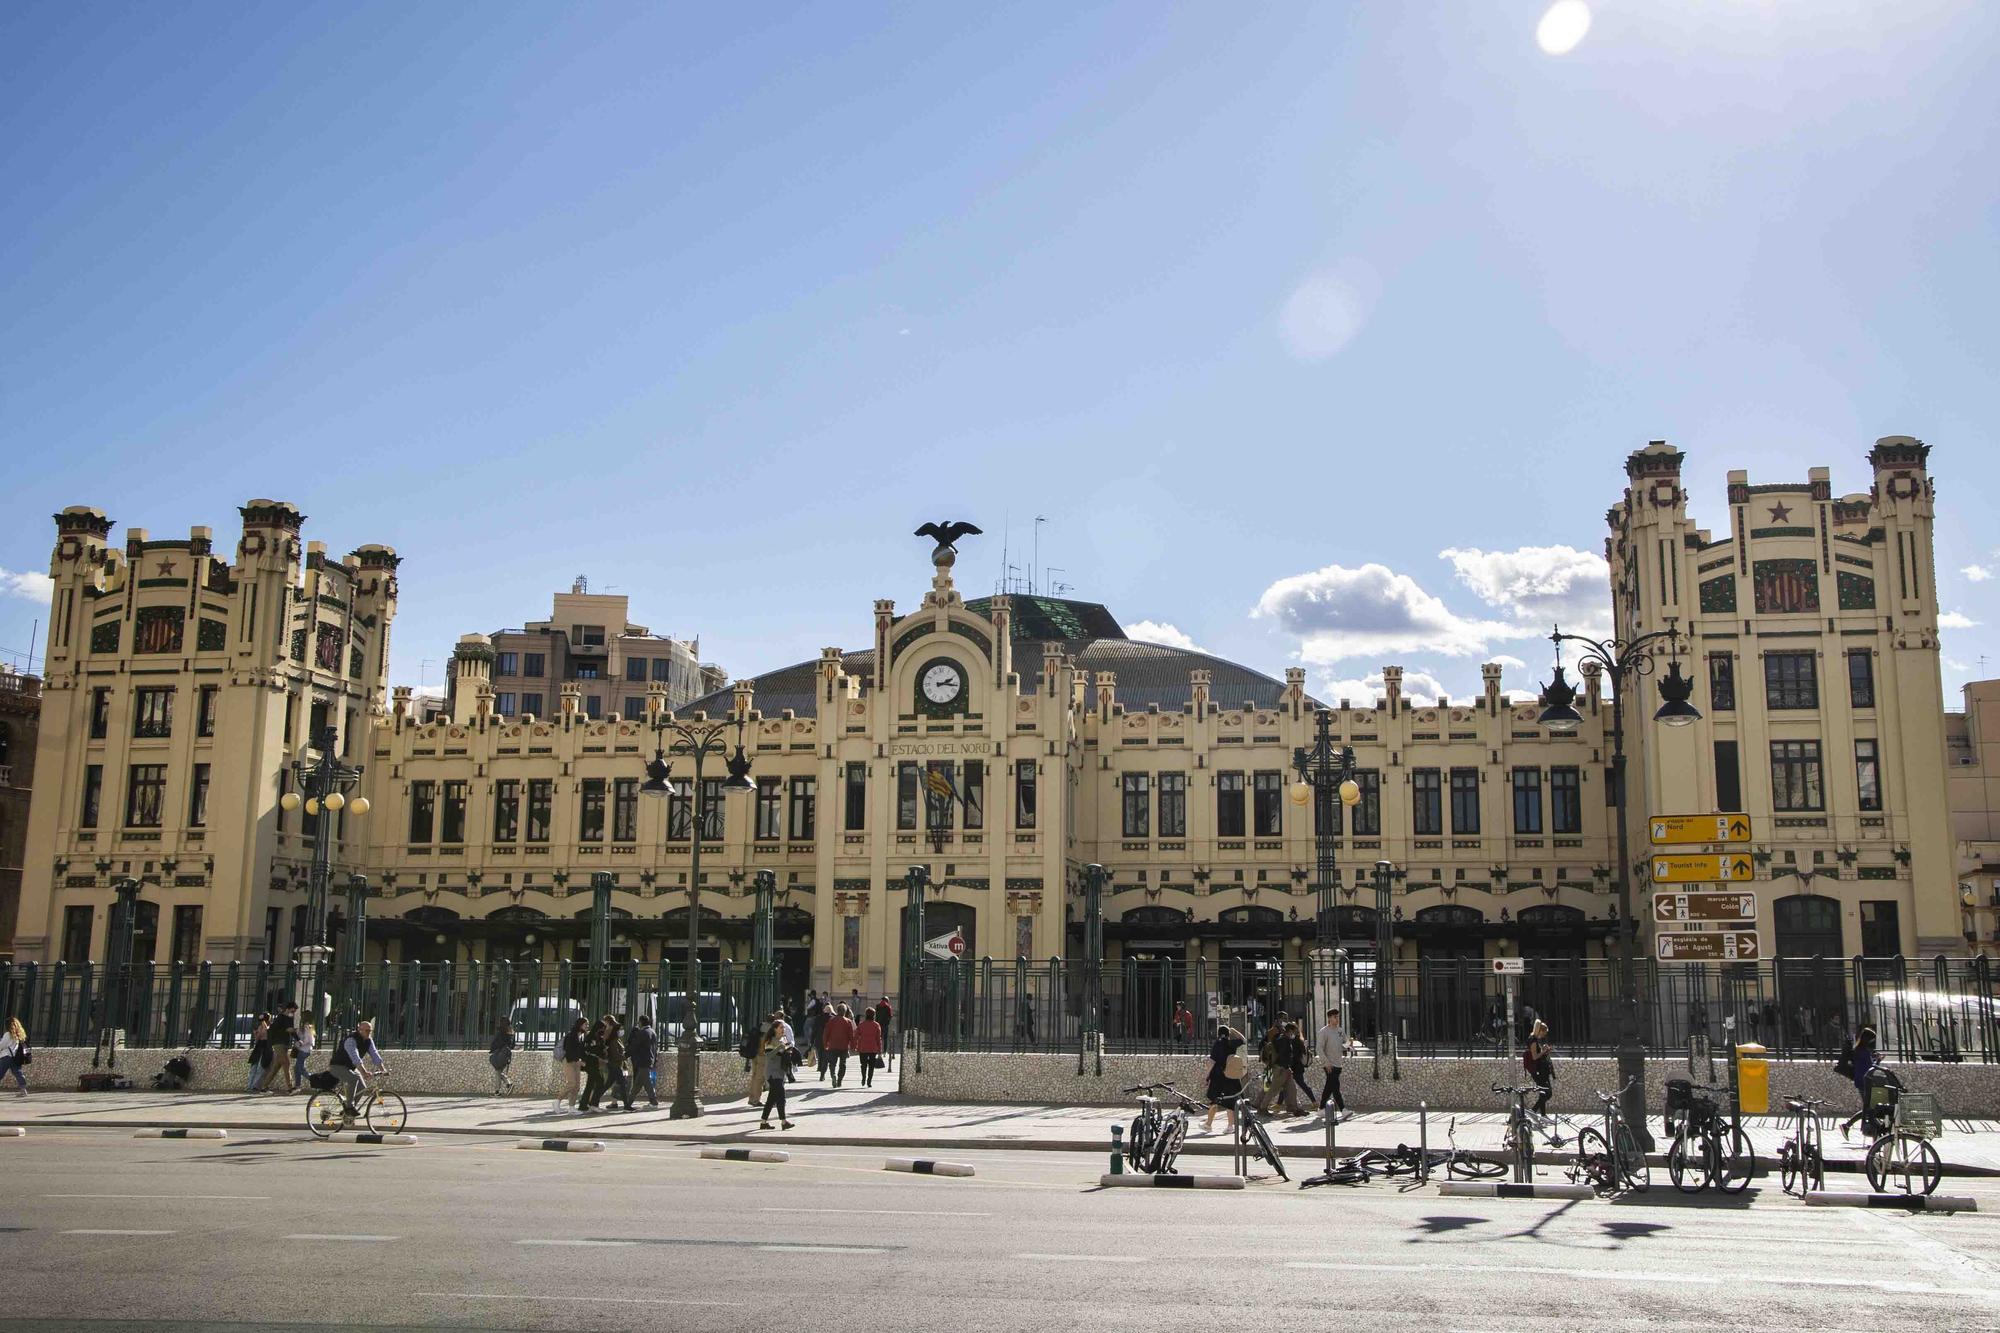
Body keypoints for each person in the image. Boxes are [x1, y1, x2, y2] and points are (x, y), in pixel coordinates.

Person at [328, 1019, 388, 1115]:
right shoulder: (351, 1040)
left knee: (362, 1087)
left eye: (370, 1031)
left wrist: (383, 1069)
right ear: (360, 1030)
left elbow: (374, 1054)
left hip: (349, 1068)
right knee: (354, 1079)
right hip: (337, 1066)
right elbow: (355, 1057)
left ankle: (348, 1112)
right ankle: (349, 1107)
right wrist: (363, 1072)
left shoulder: (368, 1040)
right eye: (367, 1031)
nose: (369, 1033)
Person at [1203, 1024, 1247, 1135]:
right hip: (1231, 1075)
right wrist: (1234, 1030)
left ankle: (1208, 1124)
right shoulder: (1231, 1043)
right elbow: (1244, 1040)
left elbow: (1212, 1062)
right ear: (1228, 1034)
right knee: (1230, 1101)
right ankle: (1230, 1126)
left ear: (1218, 1034)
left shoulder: (1217, 1044)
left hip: (1218, 1076)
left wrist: (1206, 1076)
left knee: (1214, 1099)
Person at [1838, 1025, 1881, 1137]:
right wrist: (1879, 1061)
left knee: (1867, 1107)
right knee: (1870, 1108)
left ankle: (1849, 1126)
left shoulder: (1858, 1049)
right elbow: (1870, 1068)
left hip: (1860, 1082)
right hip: (1865, 1083)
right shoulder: (1864, 1052)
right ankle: (1868, 1132)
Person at [757, 1018, 794, 1130]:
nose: (783, 1029)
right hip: (772, 1074)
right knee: (781, 1097)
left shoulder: (782, 1040)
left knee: (771, 1099)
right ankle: (784, 1122)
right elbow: (768, 1056)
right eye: (781, 1027)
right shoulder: (770, 1041)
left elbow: (783, 1055)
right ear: (775, 1029)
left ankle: (763, 1122)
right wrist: (779, 1048)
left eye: (784, 1027)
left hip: (780, 1073)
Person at [1315, 1007, 1351, 1120]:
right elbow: (1319, 1049)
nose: (1337, 1019)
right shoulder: (1324, 1032)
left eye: (1338, 1016)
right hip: (1329, 1065)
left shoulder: (1340, 1030)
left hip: (1338, 1063)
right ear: (1329, 1018)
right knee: (1335, 1087)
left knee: (1330, 1087)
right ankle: (1343, 1110)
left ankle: (1321, 1109)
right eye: (1335, 1017)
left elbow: (1344, 1043)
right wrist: (1326, 1063)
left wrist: (1349, 1044)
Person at [626, 1014, 659, 1108]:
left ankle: (654, 1102)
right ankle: (628, 1104)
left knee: (647, 1083)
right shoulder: (652, 1032)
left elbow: (635, 1046)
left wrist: (625, 1055)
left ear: (640, 1022)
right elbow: (654, 1048)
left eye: (638, 1022)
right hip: (649, 1060)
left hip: (643, 1061)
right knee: (638, 1084)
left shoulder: (642, 1033)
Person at [263, 1004, 297, 1095]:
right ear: (288, 1009)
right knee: (286, 1063)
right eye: (292, 1011)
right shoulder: (280, 1017)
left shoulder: (289, 1019)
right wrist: (286, 1030)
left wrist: (298, 1040)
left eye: (294, 1012)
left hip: (285, 1044)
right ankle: (290, 1088)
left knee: (276, 1067)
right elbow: (274, 1029)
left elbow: (291, 1031)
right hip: (278, 1043)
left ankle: (264, 1087)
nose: (293, 1013)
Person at [1525, 1018, 1555, 1117]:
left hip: (1541, 1070)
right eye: (1544, 1033)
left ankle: (1542, 1115)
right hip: (1538, 1071)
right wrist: (1543, 1052)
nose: (1544, 1035)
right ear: (1540, 1031)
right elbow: (1535, 1057)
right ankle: (1533, 1111)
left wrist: (1544, 1050)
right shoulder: (1533, 1040)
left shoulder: (1534, 1039)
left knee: (1543, 1092)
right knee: (1548, 1093)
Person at [579, 1017, 610, 1112]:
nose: (603, 1031)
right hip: (590, 1063)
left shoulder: (598, 1037)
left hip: (594, 1063)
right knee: (600, 1082)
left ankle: (583, 1105)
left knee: (590, 1084)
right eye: (602, 1028)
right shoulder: (590, 1037)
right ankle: (593, 1104)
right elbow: (590, 1050)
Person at [555, 1016, 586, 1111]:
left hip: (576, 1062)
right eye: (585, 1024)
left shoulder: (580, 1036)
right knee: (571, 1083)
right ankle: (557, 1102)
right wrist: (578, 1060)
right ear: (580, 1025)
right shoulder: (571, 1035)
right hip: (569, 1061)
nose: (587, 1026)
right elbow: (569, 1050)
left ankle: (572, 1107)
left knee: (576, 1086)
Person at [821, 1003, 855, 1088]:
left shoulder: (831, 1020)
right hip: (844, 1046)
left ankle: (833, 1075)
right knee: (842, 1064)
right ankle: (839, 1080)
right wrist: (853, 1046)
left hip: (833, 1045)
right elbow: (851, 1035)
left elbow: (826, 1033)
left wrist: (825, 1044)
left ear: (837, 1011)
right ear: (844, 1012)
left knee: (832, 1063)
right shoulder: (848, 1022)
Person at [602, 1017, 630, 1111]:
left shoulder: (617, 1039)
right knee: (622, 1084)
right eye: (620, 1029)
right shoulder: (613, 1041)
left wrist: (624, 1063)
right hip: (614, 1064)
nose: (621, 1031)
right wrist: (626, 1056)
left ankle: (592, 1101)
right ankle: (627, 1106)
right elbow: (616, 1055)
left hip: (616, 1065)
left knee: (607, 1085)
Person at [854, 1007, 884, 1088]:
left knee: (863, 1064)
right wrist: (880, 1050)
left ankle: (863, 1077)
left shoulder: (861, 1025)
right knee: (871, 1066)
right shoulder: (876, 1025)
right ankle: (869, 1081)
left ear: (866, 1015)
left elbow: (856, 1036)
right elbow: (878, 1039)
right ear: (873, 1015)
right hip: (873, 1048)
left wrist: (855, 1046)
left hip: (863, 1047)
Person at [0, 1017, 28, 1097]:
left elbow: (2, 1045)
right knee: (18, 1073)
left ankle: (23, 1091)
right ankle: (23, 1090)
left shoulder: (8, 1034)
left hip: (6, 1056)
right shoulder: (20, 1034)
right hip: (15, 1057)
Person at [245, 1012, 272, 1093]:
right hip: (259, 1047)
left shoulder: (269, 1027)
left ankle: (254, 1086)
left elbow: (267, 1034)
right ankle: (250, 1086)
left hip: (266, 1047)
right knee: (254, 1067)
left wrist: (262, 1028)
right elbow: (257, 1039)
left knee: (261, 1068)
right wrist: (257, 1033)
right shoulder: (261, 1027)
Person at [489, 1018, 517, 1095]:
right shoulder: (512, 1032)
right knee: (498, 1072)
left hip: (499, 1054)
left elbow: (496, 1043)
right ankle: (499, 1090)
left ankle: (508, 1084)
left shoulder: (500, 1032)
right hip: (507, 1054)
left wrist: (492, 1050)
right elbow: (513, 1045)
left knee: (498, 1071)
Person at [809, 995, 831, 1081]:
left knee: (820, 1055)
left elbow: (814, 1030)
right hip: (828, 1040)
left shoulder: (817, 1018)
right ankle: (822, 1073)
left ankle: (820, 1067)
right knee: (825, 1057)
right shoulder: (831, 1018)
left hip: (818, 1039)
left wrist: (811, 1040)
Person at [292, 1019, 316, 1094]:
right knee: (297, 1069)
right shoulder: (310, 1028)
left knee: (300, 1069)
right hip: (304, 1050)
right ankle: (297, 1086)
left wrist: (299, 1044)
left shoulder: (307, 1028)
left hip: (303, 1050)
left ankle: (315, 1080)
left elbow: (307, 1040)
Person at [875, 996, 894, 1072]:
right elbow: (890, 1015)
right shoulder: (888, 1006)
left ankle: (878, 1050)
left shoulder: (877, 1006)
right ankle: (885, 1052)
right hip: (885, 1025)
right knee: (885, 1038)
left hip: (878, 1024)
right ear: (887, 1000)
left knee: (879, 1038)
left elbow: (876, 1015)